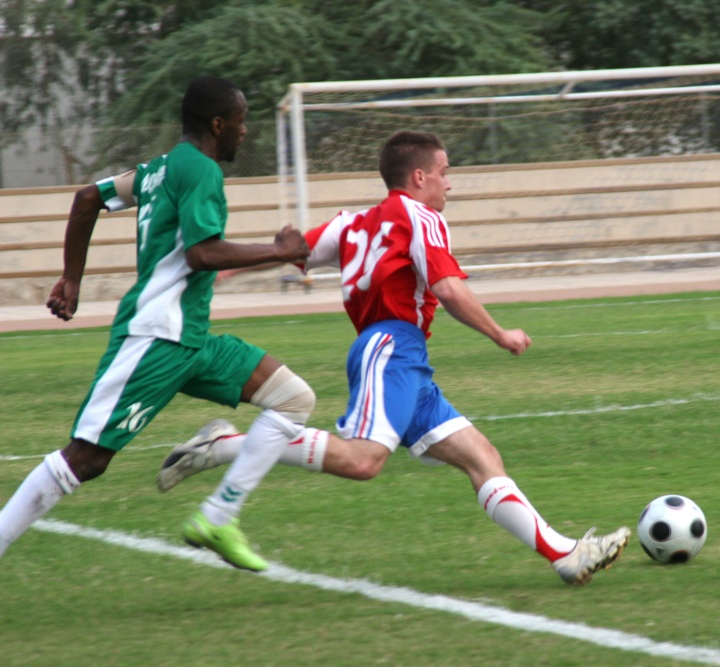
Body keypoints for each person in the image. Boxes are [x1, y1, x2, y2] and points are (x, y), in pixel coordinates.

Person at [157, 130, 631, 585]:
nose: (450, 182)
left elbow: (289, 252)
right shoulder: (421, 218)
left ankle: (565, 555)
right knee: (363, 462)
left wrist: (214, 278)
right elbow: (447, 288)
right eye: (444, 171)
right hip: (390, 348)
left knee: (481, 457)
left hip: (404, 359)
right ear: (419, 177)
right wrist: (499, 333)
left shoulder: (351, 223)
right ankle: (224, 445)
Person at [0, 77, 316, 573]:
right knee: (85, 459)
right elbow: (201, 253)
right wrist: (278, 251)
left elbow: (88, 199)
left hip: (191, 340)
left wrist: (71, 279)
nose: (245, 131)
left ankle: (218, 515)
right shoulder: (201, 171)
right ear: (218, 125)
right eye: (240, 121)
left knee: (294, 399)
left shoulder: (158, 169)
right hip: (157, 339)